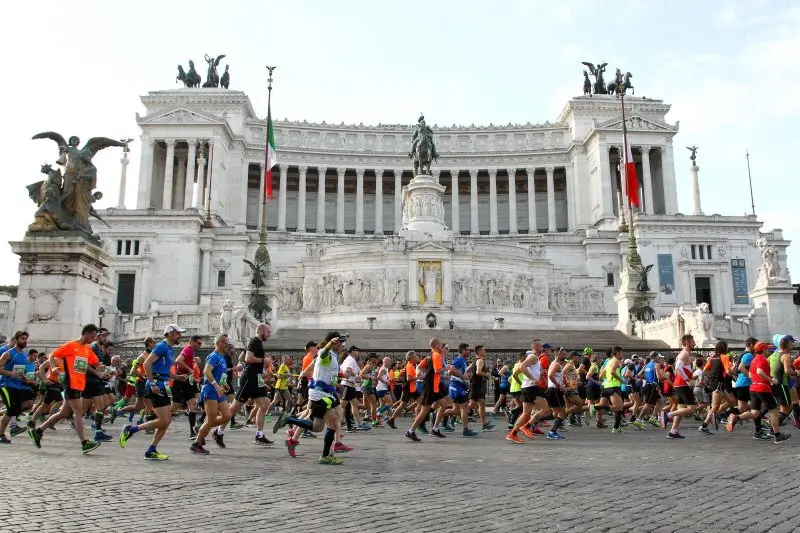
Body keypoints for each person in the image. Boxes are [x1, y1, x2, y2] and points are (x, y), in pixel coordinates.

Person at [273, 331, 347, 464]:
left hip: (325, 392)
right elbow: (323, 353)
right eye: (341, 342)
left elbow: (320, 370)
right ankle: (325, 455)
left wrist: (336, 383)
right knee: (331, 423)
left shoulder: (333, 356)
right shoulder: (327, 354)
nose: (343, 345)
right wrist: (330, 344)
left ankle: (290, 423)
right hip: (320, 394)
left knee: (319, 426)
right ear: (333, 342)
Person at [28, 324, 103, 454]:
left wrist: (101, 368)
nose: (94, 339)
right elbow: (52, 356)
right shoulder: (70, 346)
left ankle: (38, 431)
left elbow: (95, 362)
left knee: (63, 413)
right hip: (70, 383)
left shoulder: (87, 349)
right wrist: (54, 367)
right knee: (78, 412)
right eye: (92, 336)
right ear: (85, 334)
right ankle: (84, 443)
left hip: (80, 384)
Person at [119, 323, 186, 460]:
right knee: (164, 419)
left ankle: (151, 450)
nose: (180, 335)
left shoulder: (169, 349)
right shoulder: (161, 346)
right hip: (156, 386)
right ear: (171, 334)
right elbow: (146, 364)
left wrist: (177, 377)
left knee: (166, 421)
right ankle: (130, 430)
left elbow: (165, 370)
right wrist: (152, 382)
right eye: (178, 333)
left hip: (162, 385)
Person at [227, 323, 274, 447]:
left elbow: (242, 358)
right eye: (268, 332)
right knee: (234, 407)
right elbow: (247, 358)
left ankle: (259, 435)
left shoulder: (252, 343)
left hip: (256, 378)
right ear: (261, 331)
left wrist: (261, 381)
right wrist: (264, 360)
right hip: (249, 379)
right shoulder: (255, 342)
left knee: (264, 404)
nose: (269, 335)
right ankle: (218, 431)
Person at [190, 334, 233, 455]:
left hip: (219, 390)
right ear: (218, 343)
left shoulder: (222, 358)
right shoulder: (214, 356)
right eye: (224, 342)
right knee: (211, 419)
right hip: (210, 389)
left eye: (227, 342)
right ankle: (196, 444)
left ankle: (202, 428)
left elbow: (220, 375)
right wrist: (215, 384)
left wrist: (224, 384)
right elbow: (206, 371)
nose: (227, 344)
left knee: (227, 415)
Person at [0, 331, 36, 442]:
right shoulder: (8, 353)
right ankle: (1, 434)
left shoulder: (25, 355)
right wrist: (10, 374)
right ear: (16, 340)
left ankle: (4, 415)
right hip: (7, 384)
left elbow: (22, 372)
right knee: (13, 409)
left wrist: (26, 378)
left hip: (20, 385)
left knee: (27, 405)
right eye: (22, 338)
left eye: (26, 339)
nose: (24, 341)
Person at [449, 343, 477, 437]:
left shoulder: (463, 360)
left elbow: (462, 374)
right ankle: (465, 430)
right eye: (468, 350)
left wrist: (466, 377)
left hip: (459, 386)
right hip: (457, 386)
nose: (470, 351)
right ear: (463, 351)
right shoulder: (459, 359)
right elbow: (451, 370)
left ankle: (436, 416)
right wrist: (462, 376)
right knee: (464, 407)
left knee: (456, 410)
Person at [387, 351, 419, 429]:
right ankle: (419, 420)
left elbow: (401, 374)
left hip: (410, 388)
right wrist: (419, 377)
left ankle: (392, 419)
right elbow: (409, 378)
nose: (416, 357)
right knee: (421, 401)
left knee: (404, 404)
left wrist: (403, 380)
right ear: (411, 358)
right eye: (415, 356)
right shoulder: (409, 366)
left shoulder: (407, 365)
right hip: (409, 388)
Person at [468, 345, 493, 432]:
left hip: (477, 385)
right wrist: (487, 374)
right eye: (483, 350)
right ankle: (452, 416)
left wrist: (469, 376)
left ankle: (484, 425)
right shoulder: (480, 361)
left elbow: (467, 370)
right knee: (471, 405)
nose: (485, 352)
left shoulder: (475, 361)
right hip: (476, 386)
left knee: (481, 404)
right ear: (479, 352)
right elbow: (478, 371)